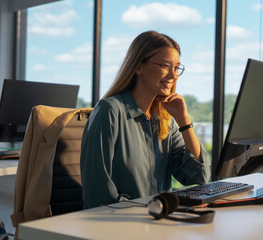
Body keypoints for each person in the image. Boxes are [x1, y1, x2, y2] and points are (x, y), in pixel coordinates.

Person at [80, 31, 211, 209]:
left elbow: (198, 177)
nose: (173, 76)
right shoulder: (109, 111)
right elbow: (99, 195)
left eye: (177, 68)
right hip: (118, 225)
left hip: (157, 223)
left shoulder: (166, 119)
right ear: (138, 67)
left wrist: (184, 122)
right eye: (165, 66)